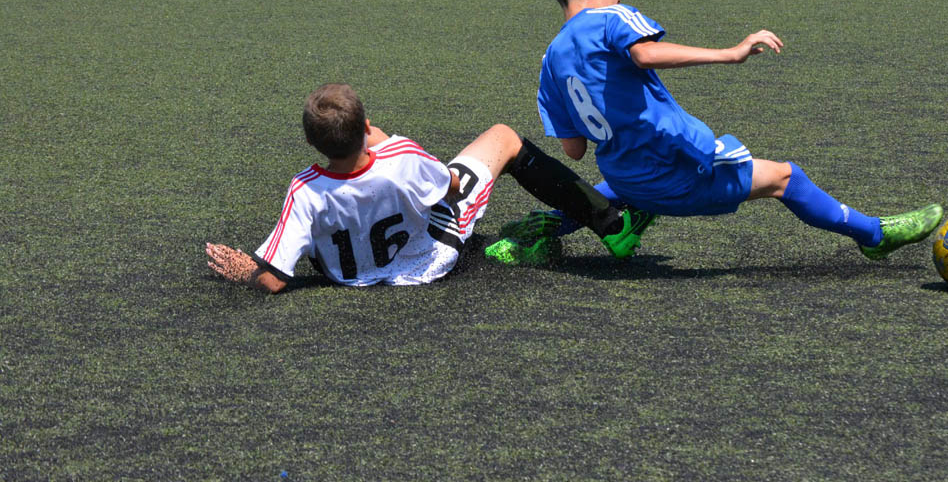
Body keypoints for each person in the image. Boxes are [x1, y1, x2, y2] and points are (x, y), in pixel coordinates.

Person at [521, 0, 942, 260]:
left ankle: (537, 233)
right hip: (676, 170)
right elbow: (644, 54)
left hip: (627, 176)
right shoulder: (611, 17)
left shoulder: (549, 61)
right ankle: (874, 235)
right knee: (786, 178)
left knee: (618, 186)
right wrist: (730, 52)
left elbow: (574, 150)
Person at [205, 83, 649, 292]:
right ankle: (612, 223)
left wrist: (248, 271)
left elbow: (273, 280)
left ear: (311, 142)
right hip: (432, 258)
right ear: (365, 126)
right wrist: (388, 142)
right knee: (504, 138)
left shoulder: (304, 190)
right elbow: (450, 187)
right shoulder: (401, 156)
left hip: (351, 275)